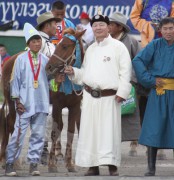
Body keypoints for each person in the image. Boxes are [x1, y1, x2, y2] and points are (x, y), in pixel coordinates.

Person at [65, 14, 132, 176]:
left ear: (108, 27)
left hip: (110, 98)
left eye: (102, 25)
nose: (98, 28)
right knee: (90, 133)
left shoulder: (118, 47)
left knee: (109, 133)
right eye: (95, 25)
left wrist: (123, 92)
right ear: (92, 28)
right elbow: (85, 75)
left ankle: (111, 166)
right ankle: (92, 166)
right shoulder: (91, 49)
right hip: (89, 98)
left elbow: (126, 72)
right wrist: (74, 72)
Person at [130, 0, 174, 159]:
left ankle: (162, 143)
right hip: (147, 46)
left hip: (168, 44)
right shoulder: (142, 0)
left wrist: (166, 26)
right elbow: (134, 17)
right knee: (137, 88)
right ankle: (135, 138)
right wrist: (148, 25)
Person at [5, 23, 49, 176]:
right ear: (28, 44)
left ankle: (34, 164)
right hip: (25, 103)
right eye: (33, 41)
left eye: (38, 41)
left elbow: (51, 81)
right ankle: (10, 163)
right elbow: (14, 81)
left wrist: (59, 79)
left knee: (38, 134)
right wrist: (17, 101)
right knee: (18, 134)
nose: (37, 43)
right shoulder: (21, 59)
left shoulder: (46, 60)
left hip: (42, 103)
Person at [108, 12, 141, 156]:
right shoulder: (103, 40)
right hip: (108, 86)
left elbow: (138, 62)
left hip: (127, 85)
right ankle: (110, 147)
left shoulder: (132, 42)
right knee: (109, 117)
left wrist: (132, 81)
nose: (108, 27)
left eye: (111, 24)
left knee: (127, 115)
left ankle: (133, 143)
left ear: (119, 27)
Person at [36, 11, 64, 164]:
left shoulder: (49, 43)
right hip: (36, 88)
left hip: (46, 87)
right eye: (54, 24)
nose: (57, 27)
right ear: (47, 26)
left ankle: (43, 149)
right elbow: (34, 65)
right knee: (39, 119)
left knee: (46, 118)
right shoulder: (37, 41)